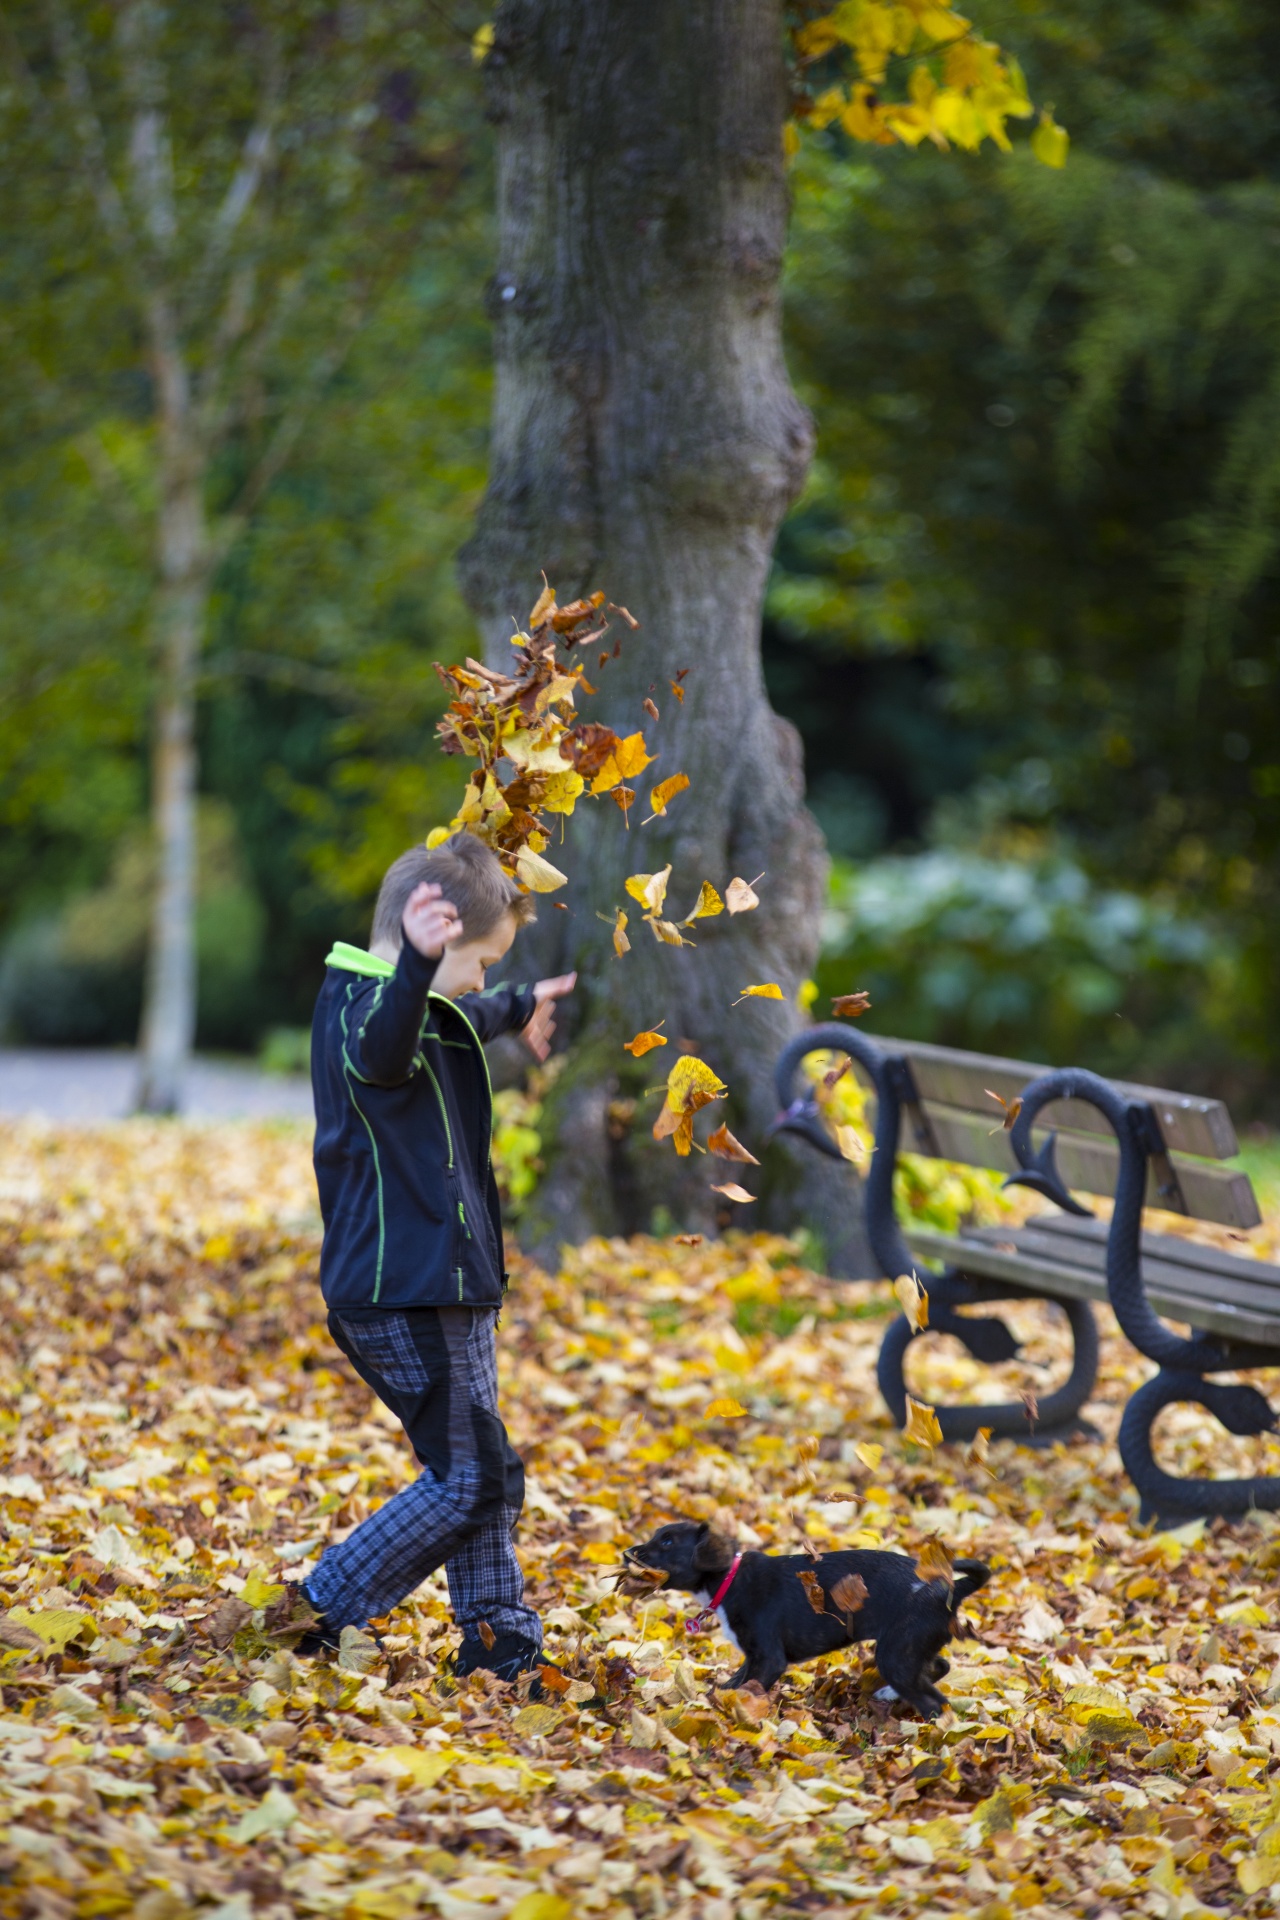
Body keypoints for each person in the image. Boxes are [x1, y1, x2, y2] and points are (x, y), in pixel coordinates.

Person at [281, 834, 575, 1682]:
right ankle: (321, 1607)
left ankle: (497, 1637)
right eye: (479, 960)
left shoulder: (410, 1003)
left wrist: (517, 1004)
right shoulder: (365, 1010)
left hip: (448, 1288)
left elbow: (455, 1016)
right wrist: (418, 965)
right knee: (476, 1474)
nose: (480, 979)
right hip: (403, 1291)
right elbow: (389, 1043)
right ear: (432, 937)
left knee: (476, 1463)